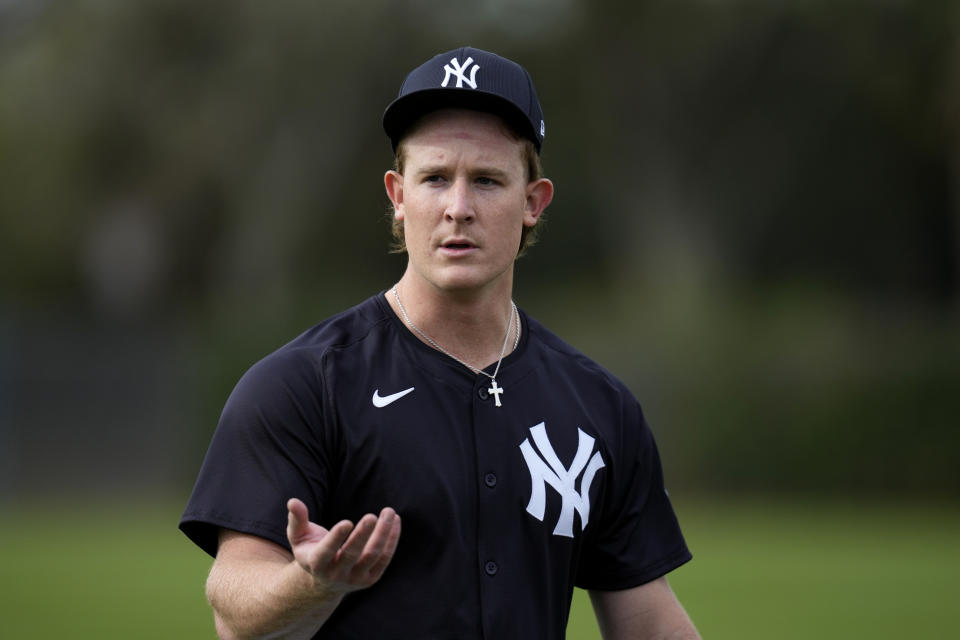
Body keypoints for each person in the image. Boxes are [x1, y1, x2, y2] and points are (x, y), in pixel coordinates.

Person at [180, 46, 700, 640]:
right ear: (398, 197)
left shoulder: (598, 406)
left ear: (533, 202)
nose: (458, 208)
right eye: (434, 178)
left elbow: (649, 622)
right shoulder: (303, 384)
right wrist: (311, 584)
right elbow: (232, 608)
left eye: (486, 180)